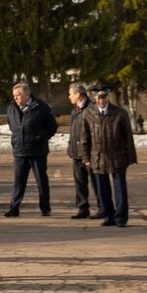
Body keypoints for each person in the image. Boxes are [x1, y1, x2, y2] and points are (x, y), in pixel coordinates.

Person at [81, 86, 136, 226]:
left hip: (117, 156)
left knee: (120, 189)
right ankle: (108, 216)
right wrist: (86, 157)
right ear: (94, 98)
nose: (101, 101)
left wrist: (130, 157)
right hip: (97, 156)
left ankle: (121, 218)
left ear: (108, 97)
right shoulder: (88, 113)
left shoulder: (119, 113)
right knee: (102, 189)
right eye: (98, 98)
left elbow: (128, 136)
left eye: (104, 97)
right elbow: (85, 137)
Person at [4, 82, 57, 217]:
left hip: (37, 150)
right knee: (18, 182)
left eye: (18, 95)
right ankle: (14, 208)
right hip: (19, 150)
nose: (16, 98)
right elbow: (12, 125)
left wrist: (40, 138)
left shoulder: (41, 107)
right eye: (14, 96)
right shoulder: (12, 108)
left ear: (27, 95)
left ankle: (45, 208)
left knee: (41, 180)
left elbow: (52, 126)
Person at [66, 84, 95, 219]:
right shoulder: (75, 110)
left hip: (89, 153)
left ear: (78, 94)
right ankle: (82, 208)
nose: (69, 97)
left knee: (96, 182)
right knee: (80, 183)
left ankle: (102, 207)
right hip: (76, 153)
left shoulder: (91, 108)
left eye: (71, 94)